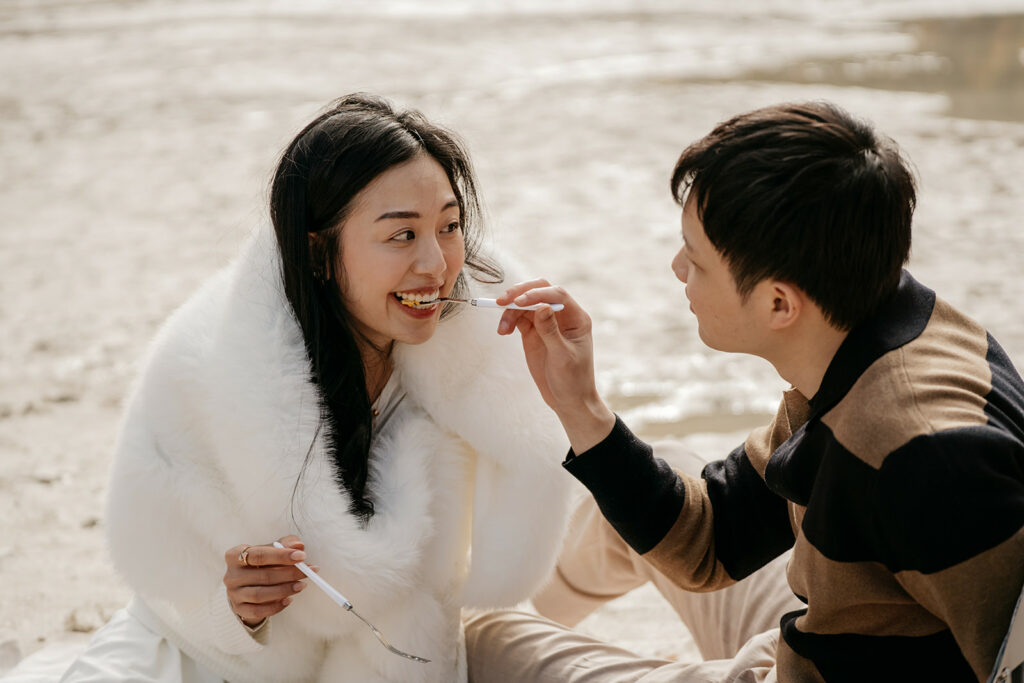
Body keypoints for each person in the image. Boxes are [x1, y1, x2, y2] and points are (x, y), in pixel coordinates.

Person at [466, 101, 1024, 682]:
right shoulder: (878, 330)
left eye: (697, 259)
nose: (677, 268)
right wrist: (579, 404)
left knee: (483, 645)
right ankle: (518, 603)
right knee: (660, 471)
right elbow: (711, 538)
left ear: (779, 303)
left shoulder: (923, 456)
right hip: (805, 639)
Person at [59, 93, 573, 682]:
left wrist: (567, 394)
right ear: (318, 252)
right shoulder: (211, 363)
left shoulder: (477, 354)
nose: (436, 264)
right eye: (402, 235)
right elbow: (161, 567)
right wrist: (237, 608)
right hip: (197, 657)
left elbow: (523, 492)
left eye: (449, 226)